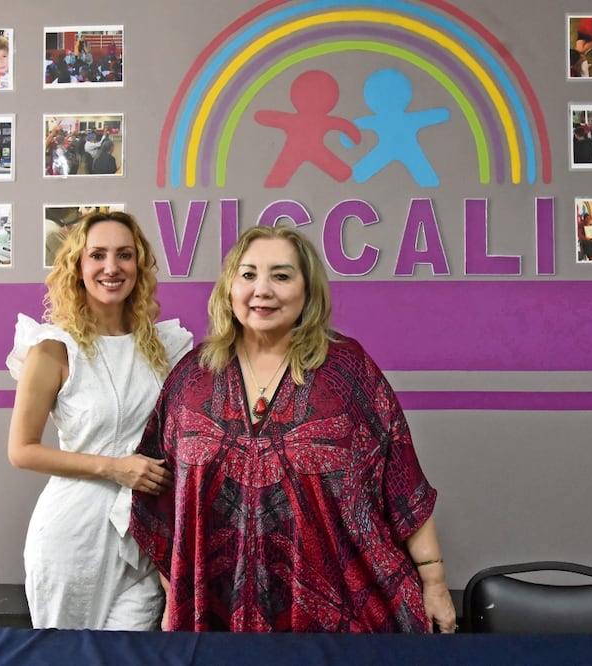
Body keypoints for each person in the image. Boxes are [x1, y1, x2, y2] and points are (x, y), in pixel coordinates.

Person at [131, 225, 457, 634]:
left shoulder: (347, 372)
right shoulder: (191, 379)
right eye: (248, 274)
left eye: (281, 276)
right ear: (229, 288)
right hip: (217, 618)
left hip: (339, 621)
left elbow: (402, 484)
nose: (261, 290)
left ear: (308, 291)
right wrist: (178, 597)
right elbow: (164, 505)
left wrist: (436, 584)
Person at [6, 212, 193, 630]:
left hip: (144, 536)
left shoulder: (167, 348)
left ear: (139, 266)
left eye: (124, 255)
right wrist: (115, 467)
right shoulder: (53, 348)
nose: (112, 267)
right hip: (73, 535)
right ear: (78, 265)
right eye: (98, 255)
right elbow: (21, 450)